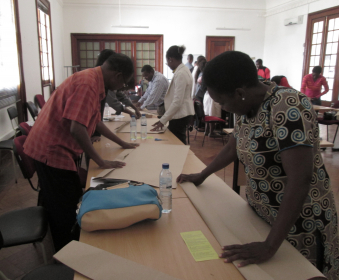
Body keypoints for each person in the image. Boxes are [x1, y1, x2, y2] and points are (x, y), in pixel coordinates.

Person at [177, 51, 338, 279]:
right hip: (264, 215)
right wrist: (202, 175)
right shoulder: (248, 104)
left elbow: (300, 179)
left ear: (239, 93)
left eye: (222, 102)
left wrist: (270, 246)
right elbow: (234, 146)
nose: (223, 107)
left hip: (299, 222)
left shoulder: (288, 107)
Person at [24, 54, 139, 252]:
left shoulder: (93, 80)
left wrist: (121, 142)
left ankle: (68, 245)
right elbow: (77, 129)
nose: (121, 88)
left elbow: (95, 121)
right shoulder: (88, 84)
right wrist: (100, 161)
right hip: (52, 150)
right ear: (118, 76)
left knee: (64, 200)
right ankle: (67, 255)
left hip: (53, 146)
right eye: (123, 83)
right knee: (66, 209)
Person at [151, 45, 195, 144]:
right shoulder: (183, 70)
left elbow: (177, 102)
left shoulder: (180, 74)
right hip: (182, 113)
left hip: (180, 114)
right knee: (176, 141)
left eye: (167, 62)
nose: (168, 65)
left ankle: (183, 158)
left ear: (170, 59)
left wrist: (163, 120)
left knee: (177, 142)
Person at [96, 50, 141, 119]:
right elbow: (112, 102)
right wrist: (130, 112)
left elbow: (121, 95)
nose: (122, 87)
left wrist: (134, 108)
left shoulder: (108, 80)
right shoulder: (100, 81)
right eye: (123, 83)